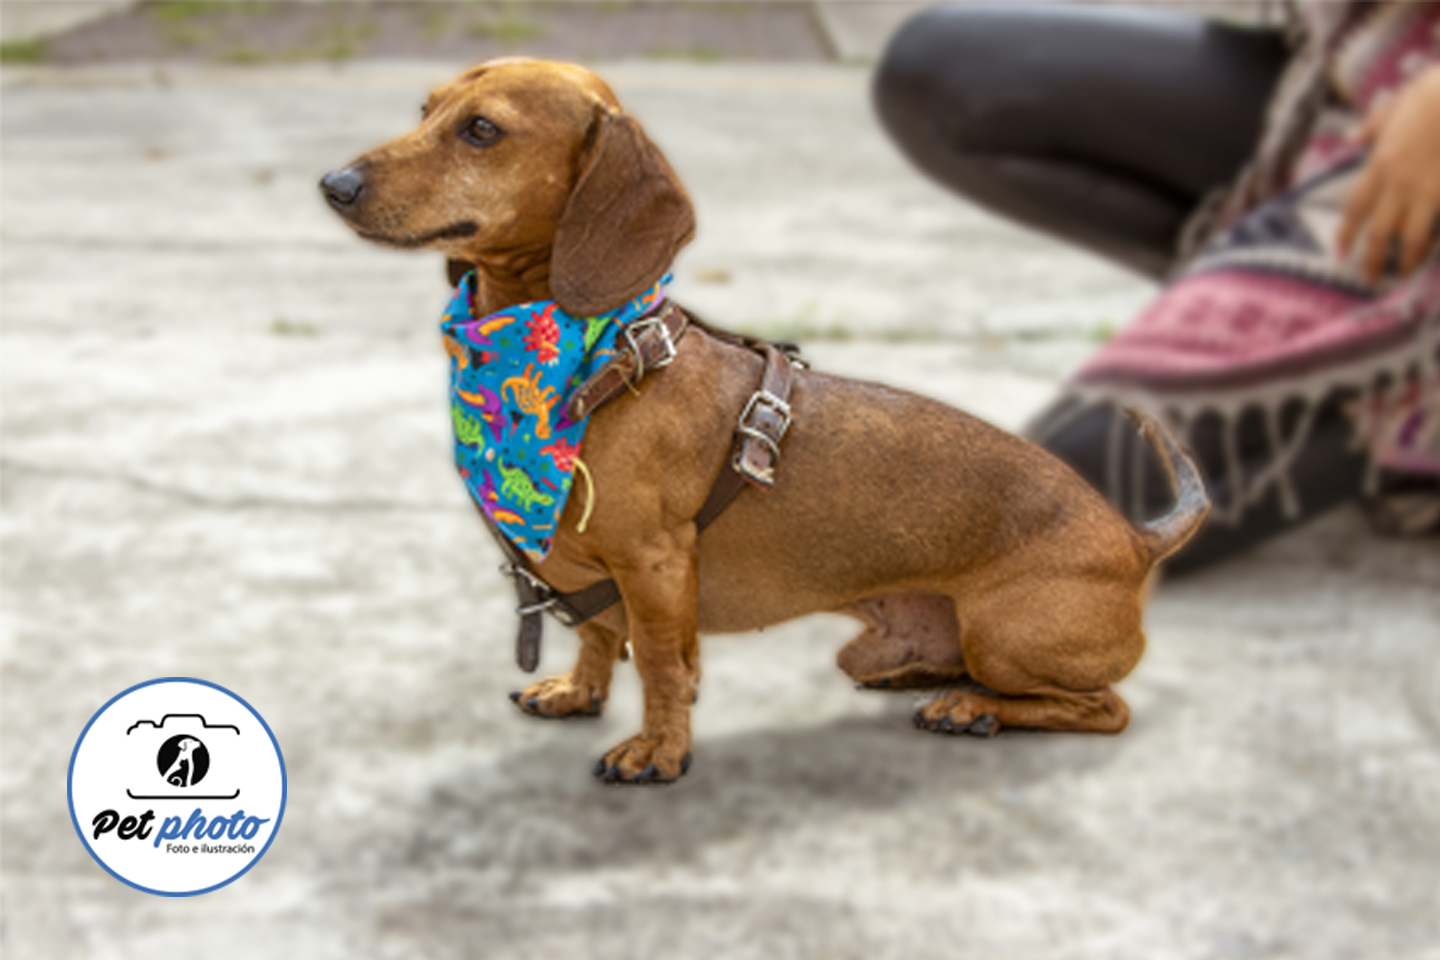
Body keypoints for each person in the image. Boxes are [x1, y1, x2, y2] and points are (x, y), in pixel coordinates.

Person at [875, 1, 1440, 571]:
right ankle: (1282, 306)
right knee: (950, 67)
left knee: (1069, 509)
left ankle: (1398, 387)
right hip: (1361, 87)